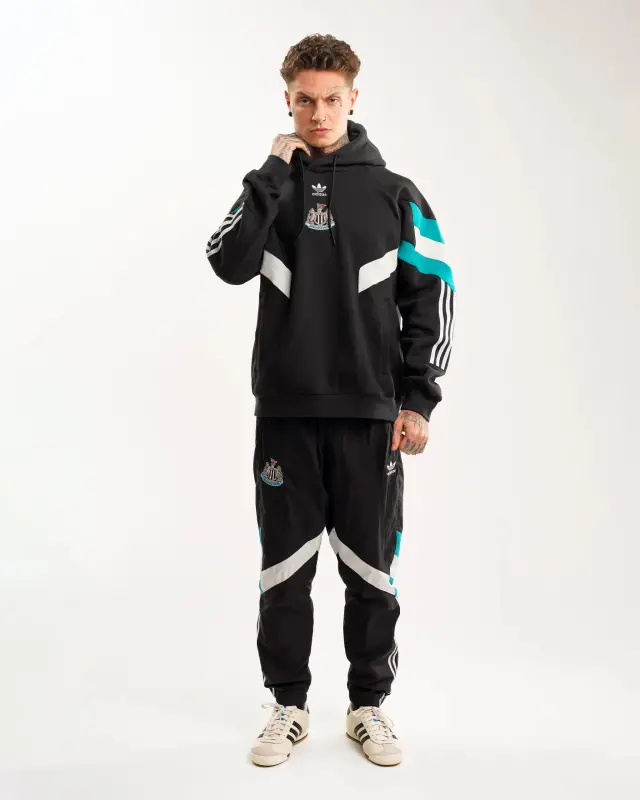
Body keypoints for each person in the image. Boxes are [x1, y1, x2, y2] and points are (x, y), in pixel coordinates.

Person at [205, 33, 455, 767]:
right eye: (305, 100)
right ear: (287, 100)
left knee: (372, 573)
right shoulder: (270, 187)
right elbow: (226, 260)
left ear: (354, 98)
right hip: (285, 412)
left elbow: (432, 297)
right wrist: (269, 174)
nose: (318, 114)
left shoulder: (396, 194)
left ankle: (368, 706)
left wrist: (419, 400)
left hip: (372, 415)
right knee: (284, 571)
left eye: (332, 99)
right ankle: (287, 706)